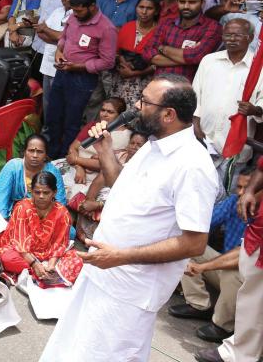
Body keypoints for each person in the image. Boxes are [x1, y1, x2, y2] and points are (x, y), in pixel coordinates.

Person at [39, 74, 219, 361]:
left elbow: (194, 243)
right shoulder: (153, 144)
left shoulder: (192, 166)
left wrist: (122, 256)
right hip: (104, 272)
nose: (135, 106)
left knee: (108, 354)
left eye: (145, 101)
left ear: (169, 114)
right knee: (76, 348)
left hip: (131, 288)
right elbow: (123, 187)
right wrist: (105, 151)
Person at [194, 159, 263, 361]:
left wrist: (203, 267)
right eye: (239, 187)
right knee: (252, 293)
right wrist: (250, 191)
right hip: (256, 241)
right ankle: (237, 352)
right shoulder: (235, 202)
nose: (241, 192)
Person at [45, 0, 118, 159]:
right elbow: (64, 37)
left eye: (79, 10)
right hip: (63, 73)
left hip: (82, 79)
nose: (75, 13)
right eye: (74, 10)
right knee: (53, 116)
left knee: (72, 122)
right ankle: (51, 153)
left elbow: (108, 61)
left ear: (92, 6)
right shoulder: (73, 17)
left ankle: (64, 158)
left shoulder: (106, 28)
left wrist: (79, 66)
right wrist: (59, 51)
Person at [193, 18, 262, 170]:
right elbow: (195, 95)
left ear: (250, 38)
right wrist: (195, 125)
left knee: (227, 191)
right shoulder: (209, 61)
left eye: (237, 35)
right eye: (227, 35)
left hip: (236, 147)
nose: (231, 39)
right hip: (203, 141)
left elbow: (261, 101)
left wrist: (255, 109)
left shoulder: (258, 67)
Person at [0, 171, 82, 284]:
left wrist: (51, 264)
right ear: (31, 191)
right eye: (37, 192)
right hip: (23, 253)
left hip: (49, 255)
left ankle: (45, 272)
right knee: (7, 258)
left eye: (46, 193)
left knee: (78, 259)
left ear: (54, 192)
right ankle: (42, 273)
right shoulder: (23, 207)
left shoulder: (62, 212)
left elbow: (59, 243)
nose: (41, 196)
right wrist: (34, 263)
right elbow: (19, 243)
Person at [141, 0, 222, 82]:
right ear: (177, 1)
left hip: (188, 88)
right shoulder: (166, 23)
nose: (186, 6)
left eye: (192, 2)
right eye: (182, 2)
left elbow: (196, 57)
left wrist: (162, 48)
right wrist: (186, 59)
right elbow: (147, 54)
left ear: (203, 2)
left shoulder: (213, 26)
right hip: (159, 85)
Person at [54, 98, 132, 201]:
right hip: (76, 169)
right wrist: (79, 167)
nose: (104, 114)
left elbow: (107, 164)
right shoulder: (92, 126)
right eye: (103, 110)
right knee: (49, 174)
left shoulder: (127, 136)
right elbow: (73, 148)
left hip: (100, 178)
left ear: (120, 115)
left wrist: (77, 160)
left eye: (110, 112)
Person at [0, 134, 67, 219]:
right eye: (31, 150)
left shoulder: (52, 171)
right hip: (14, 216)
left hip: (43, 216)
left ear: (46, 155)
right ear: (24, 152)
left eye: (40, 152)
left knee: (70, 231)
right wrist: (4, 221)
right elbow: (0, 199)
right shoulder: (13, 167)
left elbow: (60, 202)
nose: (35, 155)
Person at [103, 0, 159, 107]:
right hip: (120, 78)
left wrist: (134, 73)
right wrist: (124, 64)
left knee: (136, 114)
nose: (144, 12)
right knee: (115, 111)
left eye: (149, 8)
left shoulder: (159, 31)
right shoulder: (127, 26)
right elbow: (117, 53)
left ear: (156, 11)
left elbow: (156, 63)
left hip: (143, 81)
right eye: (141, 7)